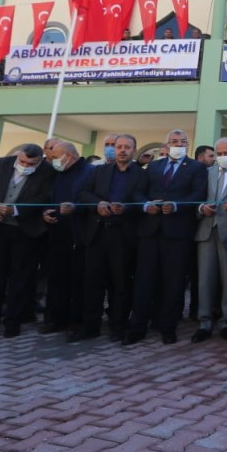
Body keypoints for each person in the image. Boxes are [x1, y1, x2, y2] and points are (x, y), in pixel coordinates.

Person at [123, 130, 206, 346]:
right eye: (174, 141)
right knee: (144, 281)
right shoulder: (154, 166)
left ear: (188, 145)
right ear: (166, 145)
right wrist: (145, 205)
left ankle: (168, 327)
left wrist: (177, 206)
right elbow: (138, 192)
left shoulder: (196, 168)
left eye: (182, 142)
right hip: (150, 231)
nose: (178, 145)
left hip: (178, 233)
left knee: (174, 282)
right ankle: (137, 326)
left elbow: (199, 194)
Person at [0, 144, 56, 338]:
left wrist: (17, 209)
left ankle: (13, 322)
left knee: (21, 279)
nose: (25, 165)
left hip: (25, 231)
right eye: (22, 161)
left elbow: (44, 197)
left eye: (31, 163)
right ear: (17, 155)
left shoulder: (48, 171)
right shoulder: (0, 164)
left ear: (40, 161)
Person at [73, 134, 147, 343]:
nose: (122, 150)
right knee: (92, 282)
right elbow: (84, 195)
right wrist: (98, 204)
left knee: (121, 283)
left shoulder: (142, 175)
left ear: (134, 150)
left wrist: (126, 209)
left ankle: (118, 325)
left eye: (127, 147)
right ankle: (90, 326)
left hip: (123, 235)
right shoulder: (99, 171)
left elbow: (143, 201)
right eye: (119, 146)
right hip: (97, 233)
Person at [40, 141, 94, 335]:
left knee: (77, 281)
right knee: (56, 279)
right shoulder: (57, 173)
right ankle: (55, 318)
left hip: (79, 235)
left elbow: (93, 200)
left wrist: (76, 208)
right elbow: (47, 198)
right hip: (57, 232)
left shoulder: (89, 172)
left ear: (69, 156)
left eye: (55, 157)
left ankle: (75, 321)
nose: (52, 161)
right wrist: (45, 212)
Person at [193, 138, 227, 343]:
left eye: (226, 152)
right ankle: (204, 322)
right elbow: (196, 197)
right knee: (205, 279)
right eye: (219, 153)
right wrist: (201, 208)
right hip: (206, 229)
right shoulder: (207, 172)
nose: (222, 156)